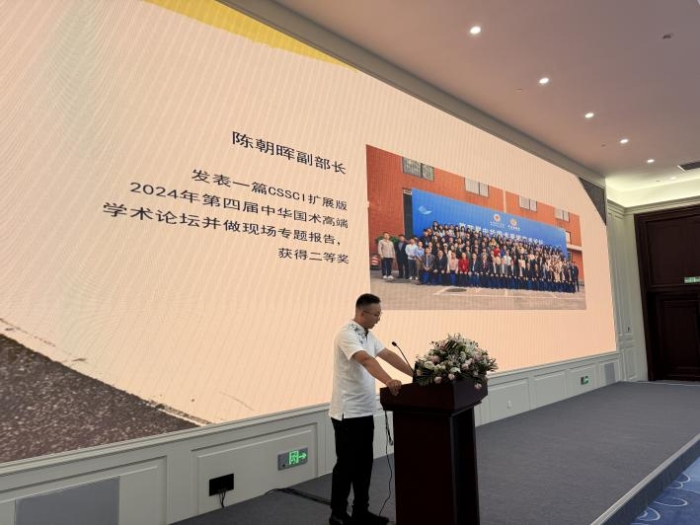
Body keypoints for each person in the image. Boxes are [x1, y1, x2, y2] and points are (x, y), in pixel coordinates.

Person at [329, 294, 413, 525]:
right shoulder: (346, 334)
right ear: (362, 313)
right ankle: (337, 515)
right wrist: (388, 380)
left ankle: (361, 511)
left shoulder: (368, 335)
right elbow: (366, 360)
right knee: (346, 466)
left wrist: (417, 375)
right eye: (376, 314)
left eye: (380, 314)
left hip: (365, 411)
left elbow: (388, 355)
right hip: (347, 413)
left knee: (364, 465)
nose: (379, 318)